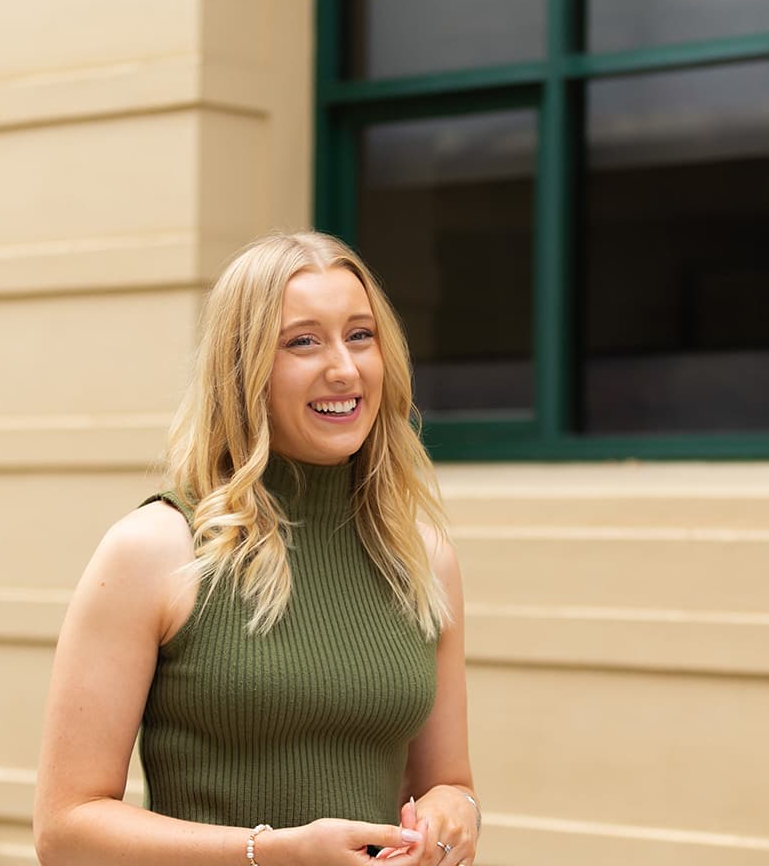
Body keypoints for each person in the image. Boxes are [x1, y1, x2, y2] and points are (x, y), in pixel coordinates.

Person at [33, 232, 481, 866]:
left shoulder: (421, 557)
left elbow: (448, 782)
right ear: (243, 369)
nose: (345, 368)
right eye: (303, 341)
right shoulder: (157, 549)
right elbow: (65, 830)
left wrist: (455, 812)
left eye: (360, 335)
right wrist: (269, 852)